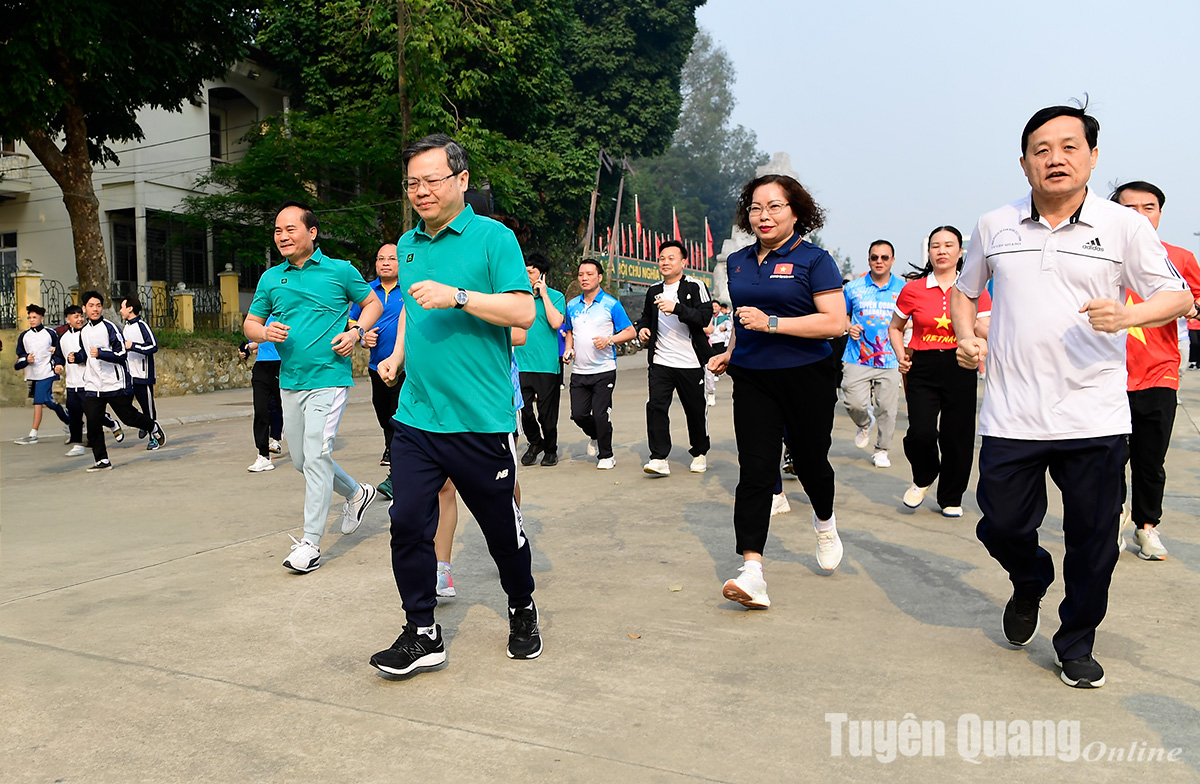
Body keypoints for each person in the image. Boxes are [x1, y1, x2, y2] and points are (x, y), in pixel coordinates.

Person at [952, 104, 1191, 689]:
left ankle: (1076, 640)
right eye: (1041, 149)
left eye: (1069, 147)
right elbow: (964, 291)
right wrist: (964, 337)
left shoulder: (1123, 226)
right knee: (1002, 525)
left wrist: (1128, 312)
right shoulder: (994, 224)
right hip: (1012, 413)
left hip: (1094, 413)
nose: (1055, 158)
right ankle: (1030, 577)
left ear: (1092, 156)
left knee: (1094, 544)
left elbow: (1178, 297)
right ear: (1024, 161)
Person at [369, 134, 540, 677]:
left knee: (501, 533)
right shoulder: (409, 244)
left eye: (432, 180)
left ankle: (521, 606)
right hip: (417, 417)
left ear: (462, 181)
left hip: (479, 419)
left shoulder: (494, 239)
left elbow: (523, 314)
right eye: (412, 182)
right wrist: (397, 356)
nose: (421, 191)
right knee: (405, 523)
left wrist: (459, 296)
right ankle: (422, 631)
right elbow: (418, 318)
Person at [707, 173, 849, 609]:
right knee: (755, 470)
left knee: (809, 461)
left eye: (774, 206)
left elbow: (835, 322)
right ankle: (752, 572)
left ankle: (824, 522)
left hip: (807, 374)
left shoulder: (815, 260)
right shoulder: (738, 261)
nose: (763, 215)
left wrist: (773, 323)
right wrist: (731, 350)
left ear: (795, 211)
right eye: (755, 207)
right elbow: (740, 317)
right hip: (753, 377)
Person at [244, 200, 383, 573]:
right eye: (277, 230)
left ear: (312, 232)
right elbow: (250, 324)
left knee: (317, 457)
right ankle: (357, 492)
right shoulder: (271, 278)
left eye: (290, 229)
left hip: (329, 379)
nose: (282, 236)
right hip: (290, 381)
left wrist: (355, 331)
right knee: (303, 461)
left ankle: (310, 543)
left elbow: (372, 305)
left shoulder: (340, 271)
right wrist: (263, 331)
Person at [1110, 181, 1200, 560]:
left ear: (1160, 213)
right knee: (1107, 457)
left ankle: (1147, 528)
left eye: (1149, 207)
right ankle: (1111, 519)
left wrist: (1190, 310)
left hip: (1158, 373)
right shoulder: (1097, 255)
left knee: (1150, 458)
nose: (1141, 215)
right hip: (1105, 374)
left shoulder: (1179, 258)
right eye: (1130, 209)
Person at [888, 227, 991, 517]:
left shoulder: (974, 290)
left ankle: (950, 496)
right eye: (936, 246)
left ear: (961, 252)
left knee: (957, 436)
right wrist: (900, 355)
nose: (942, 251)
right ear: (929, 253)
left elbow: (983, 328)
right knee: (920, 432)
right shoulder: (914, 289)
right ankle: (924, 475)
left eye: (949, 245)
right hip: (923, 366)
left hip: (960, 366)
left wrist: (985, 343)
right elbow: (895, 327)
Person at [636, 239, 713, 475]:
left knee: (695, 409)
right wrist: (643, 329)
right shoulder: (653, 291)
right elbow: (646, 317)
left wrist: (676, 308)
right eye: (661, 258)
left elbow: (704, 318)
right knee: (656, 406)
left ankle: (699, 452)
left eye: (671, 258)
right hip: (661, 361)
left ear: (683, 262)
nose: (665, 262)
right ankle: (659, 457)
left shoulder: (695, 286)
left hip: (690, 361)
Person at [78, 291, 165, 471]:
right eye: (91, 306)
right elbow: (85, 354)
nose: (95, 309)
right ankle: (102, 460)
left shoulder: (111, 328)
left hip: (114, 383)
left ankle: (153, 426)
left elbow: (121, 354)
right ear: (84, 308)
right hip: (93, 385)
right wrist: (74, 357)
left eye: (98, 305)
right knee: (93, 423)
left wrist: (102, 353)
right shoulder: (84, 332)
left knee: (129, 418)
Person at [563, 259, 636, 470]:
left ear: (599, 277)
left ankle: (607, 455)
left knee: (601, 414)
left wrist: (609, 340)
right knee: (578, 414)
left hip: (604, 370)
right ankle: (594, 434)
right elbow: (569, 331)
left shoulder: (611, 304)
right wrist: (569, 349)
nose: (584, 278)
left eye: (589, 274)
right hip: (579, 371)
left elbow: (630, 332)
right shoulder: (572, 305)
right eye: (581, 275)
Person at [349, 243, 406, 497]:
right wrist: (363, 338)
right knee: (384, 416)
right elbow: (353, 324)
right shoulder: (367, 292)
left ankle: (397, 475)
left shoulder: (410, 289)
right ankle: (392, 450)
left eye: (391, 258)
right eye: (380, 258)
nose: (385, 263)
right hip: (376, 366)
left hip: (406, 368)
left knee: (398, 419)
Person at [842, 240, 905, 468]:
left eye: (884, 257)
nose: (879, 261)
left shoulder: (903, 289)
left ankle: (882, 450)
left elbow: (910, 320)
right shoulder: (853, 288)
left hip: (889, 357)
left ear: (892, 261)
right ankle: (864, 422)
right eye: (874, 257)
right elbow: (841, 315)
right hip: (857, 355)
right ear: (869, 259)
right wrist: (850, 327)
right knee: (853, 402)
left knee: (888, 408)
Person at [515, 252, 567, 467]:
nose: (526, 275)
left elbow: (556, 323)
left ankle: (551, 449)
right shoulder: (517, 297)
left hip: (546, 366)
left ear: (542, 274)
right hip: (521, 364)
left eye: (531, 271)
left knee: (547, 414)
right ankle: (535, 442)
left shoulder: (556, 297)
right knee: (524, 411)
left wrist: (543, 295)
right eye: (524, 271)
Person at [60, 304, 122, 456]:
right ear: (68, 320)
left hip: (87, 383)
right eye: (76, 316)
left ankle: (111, 423)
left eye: (81, 316)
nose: (80, 319)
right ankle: (77, 443)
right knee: (74, 416)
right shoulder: (62, 338)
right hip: (71, 384)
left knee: (93, 415)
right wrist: (58, 364)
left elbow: (88, 355)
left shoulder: (87, 333)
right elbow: (58, 357)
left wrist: (78, 357)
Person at [13, 303, 71, 445]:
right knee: (49, 402)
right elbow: (19, 358)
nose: (32, 320)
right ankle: (71, 421)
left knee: (38, 401)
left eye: (35, 317)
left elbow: (61, 350)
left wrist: (55, 352)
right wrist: (26, 359)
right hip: (33, 374)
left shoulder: (50, 333)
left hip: (47, 372)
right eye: (30, 317)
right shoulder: (24, 336)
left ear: (42, 318)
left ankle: (33, 434)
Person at [238, 316, 284, 472]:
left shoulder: (286, 309)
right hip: (262, 366)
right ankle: (263, 456)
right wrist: (249, 348)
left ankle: (278, 439)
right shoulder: (261, 315)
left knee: (281, 407)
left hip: (282, 364)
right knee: (261, 410)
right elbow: (261, 339)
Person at [119, 294, 159, 445]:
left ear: (130, 309)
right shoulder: (126, 327)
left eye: (122, 307)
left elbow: (153, 346)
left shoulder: (142, 325)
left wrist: (133, 346)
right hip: (130, 376)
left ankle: (153, 437)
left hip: (143, 376)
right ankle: (143, 423)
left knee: (147, 407)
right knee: (125, 407)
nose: (120, 310)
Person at [704, 300, 731, 406]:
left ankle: (710, 393)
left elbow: (730, 328)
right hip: (707, 342)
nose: (714, 308)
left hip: (719, 340)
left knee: (711, 365)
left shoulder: (724, 317)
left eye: (716, 306)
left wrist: (724, 329)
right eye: (713, 306)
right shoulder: (707, 315)